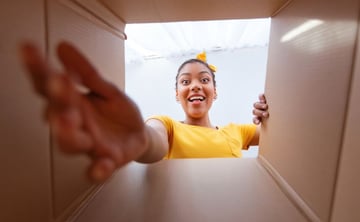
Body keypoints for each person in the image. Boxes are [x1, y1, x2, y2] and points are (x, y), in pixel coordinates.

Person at [20, 41, 269, 182]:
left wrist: (268, 113)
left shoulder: (238, 131)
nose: (195, 85)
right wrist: (139, 138)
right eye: (185, 81)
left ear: (215, 92)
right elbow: (152, 139)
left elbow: (282, 137)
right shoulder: (168, 125)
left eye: (204, 80)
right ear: (176, 94)